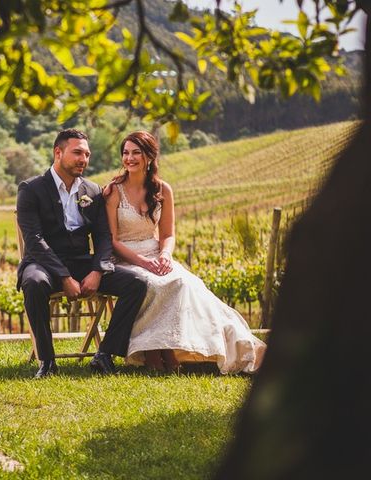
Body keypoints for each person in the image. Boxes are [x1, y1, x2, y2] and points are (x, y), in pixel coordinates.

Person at [104, 131, 266, 374]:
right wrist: (145, 264)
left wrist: (165, 256)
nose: (130, 158)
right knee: (152, 284)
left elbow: (168, 234)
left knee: (185, 282)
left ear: (149, 156)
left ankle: (184, 349)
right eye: (126, 153)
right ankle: (154, 352)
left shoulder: (163, 190)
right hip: (126, 257)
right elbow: (112, 241)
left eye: (136, 152)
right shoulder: (113, 191)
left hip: (156, 253)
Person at [16, 129, 148, 378]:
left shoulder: (93, 191)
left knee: (137, 283)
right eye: (77, 152)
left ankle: (105, 355)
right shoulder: (31, 189)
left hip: (82, 263)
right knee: (32, 283)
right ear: (58, 152)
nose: (83, 159)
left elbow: (103, 237)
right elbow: (34, 240)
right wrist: (64, 277)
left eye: (87, 154)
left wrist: (98, 271)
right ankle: (47, 362)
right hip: (43, 264)